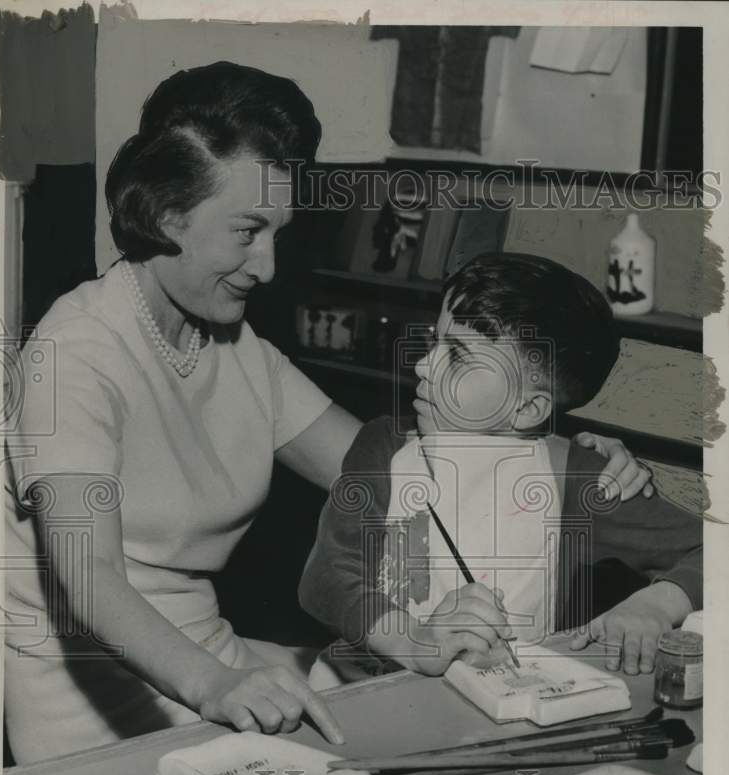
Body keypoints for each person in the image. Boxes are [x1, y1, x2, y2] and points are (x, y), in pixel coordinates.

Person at [5, 62, 651, 765]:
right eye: (248, 231)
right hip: (94, 700)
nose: (268, 265)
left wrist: (553, 457)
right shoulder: (76, 353)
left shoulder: (236, 349)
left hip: (218, 661)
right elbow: (88, 578)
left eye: (278, 232)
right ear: (167, 215)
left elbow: (401, 476)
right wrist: (217, 684)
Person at [299, 253, 701, 683]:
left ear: (528, 408)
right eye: (436, 341)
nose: (422, 365)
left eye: (457, 355)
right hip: (366, 692)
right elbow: (326, 577)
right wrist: (412, 640)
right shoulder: (382, 447)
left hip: (502, 708)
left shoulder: (575, 476)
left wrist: (657, 604)